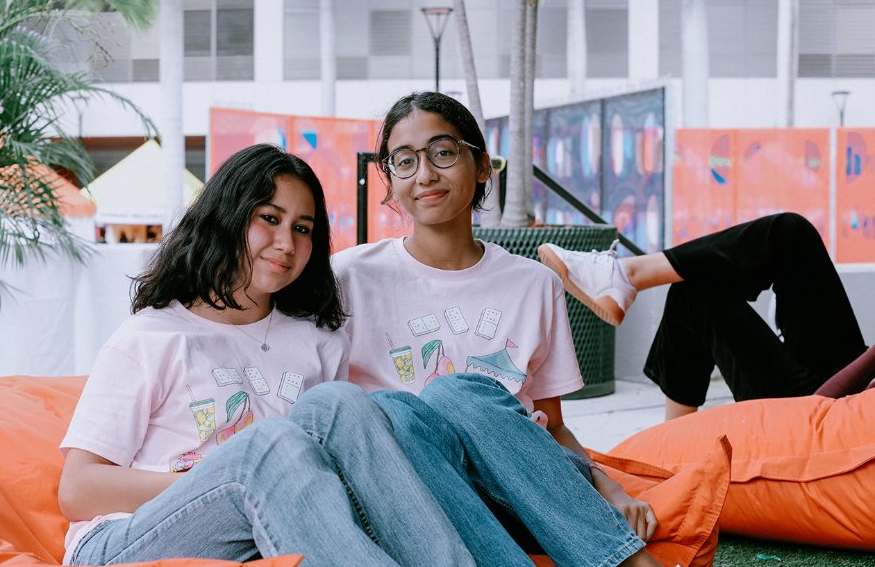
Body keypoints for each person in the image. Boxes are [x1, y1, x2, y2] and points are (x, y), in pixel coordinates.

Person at [58, 144, 477, 567]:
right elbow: (77, 489)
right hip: (126, 539)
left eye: (302, 228)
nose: (286, 243)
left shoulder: (319, 344)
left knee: (343, 403)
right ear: (227, 217)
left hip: (262, 532)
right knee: (267, 446)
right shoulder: (152, 336)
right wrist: (216, 480)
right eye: (270, 219)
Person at [333, 92, 661, 567]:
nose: (424, 175)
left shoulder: (534, 284)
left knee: (457, 394)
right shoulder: (347, 277)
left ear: (483, 166)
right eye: (404, 162)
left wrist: (605, 485)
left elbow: (553, 426)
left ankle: (623, 561)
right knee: (392, 413)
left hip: (526, 492)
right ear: (390, 179)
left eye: (443, 152)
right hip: (418, 497)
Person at [537, 212, 873, 421]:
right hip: (853, 388)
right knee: (791, 234)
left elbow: (828, 402)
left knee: (693, 293)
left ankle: (626, 276)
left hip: (834, 411)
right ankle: (675, 443)